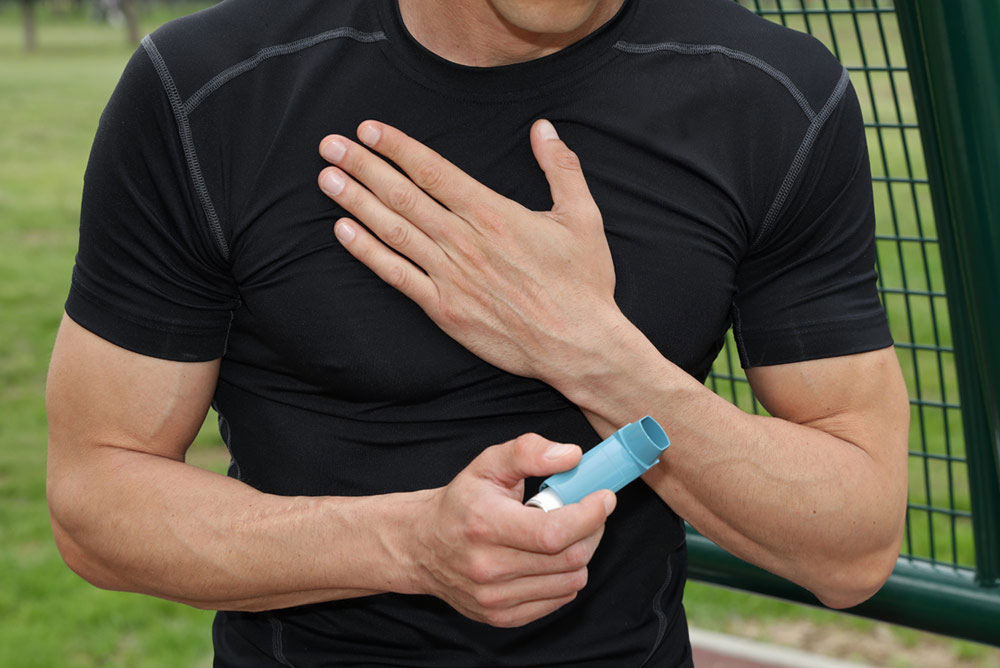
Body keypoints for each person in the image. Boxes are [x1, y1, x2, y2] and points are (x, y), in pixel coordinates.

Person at [45, 0, 910, 665]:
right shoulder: (210, 87)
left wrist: (590, 351)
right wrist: (410, 546)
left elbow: (854, 544)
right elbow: (98, 495)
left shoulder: (771, 93)